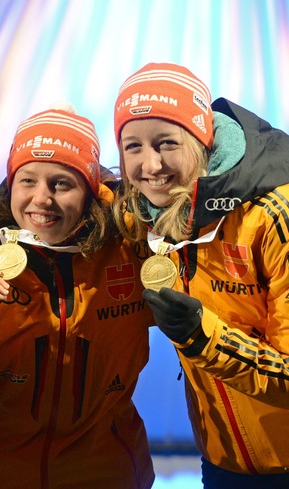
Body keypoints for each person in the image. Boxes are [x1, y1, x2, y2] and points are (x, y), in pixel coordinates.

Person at [0, 102, 155, 488]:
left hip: (108, 473)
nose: (42, 198)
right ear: (11, 183)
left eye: (61, 183)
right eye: (28, 181)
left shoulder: (131, 247)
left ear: (89, 191)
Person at [112, 62, 289, 487]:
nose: (149, 165)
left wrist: (203, 337)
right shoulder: (149, 215)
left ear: (202, 139)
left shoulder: (271, 218)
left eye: (166, 142)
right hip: (222, 458)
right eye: (132, 146)